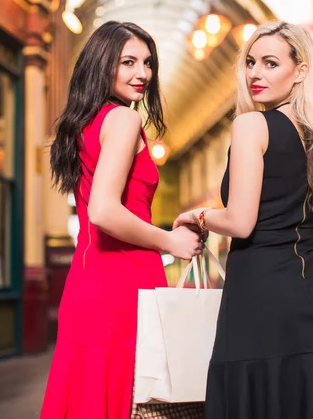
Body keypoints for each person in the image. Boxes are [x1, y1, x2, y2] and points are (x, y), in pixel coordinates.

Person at [173, 21, 313, 419]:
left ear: (301, 70)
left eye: (270, 63)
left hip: (260, 301)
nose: (255, 73)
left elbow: (240, 221)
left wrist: (197, 216)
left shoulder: (251, 125)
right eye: (251, 62)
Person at [41, 21, 203, 419]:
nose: (142, 74)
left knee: (91, 398)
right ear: (102, 65)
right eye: (128, 62)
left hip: (89, 279)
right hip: (123, 280)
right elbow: (104, 210)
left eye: (147, 63)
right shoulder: (124, 120)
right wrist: (170, 241)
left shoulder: (85, 123)